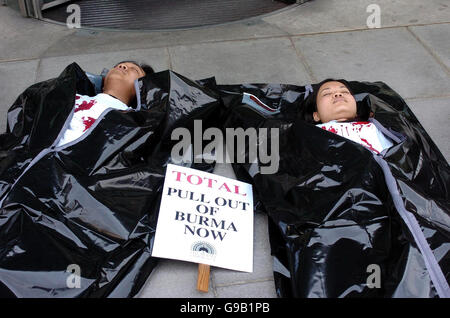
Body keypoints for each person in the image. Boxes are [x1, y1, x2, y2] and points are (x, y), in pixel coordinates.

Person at [57, 61, 154, 146]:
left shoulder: (135, 126)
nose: (122, 66)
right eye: (118, 66)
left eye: (134, 70)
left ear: (141, 90)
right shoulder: (71, 96)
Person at [304, 78, 394, 154]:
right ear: (316, 115)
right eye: (327, 93)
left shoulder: (374, 127)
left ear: (356, 112)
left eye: (344, 92)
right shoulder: (311, 134)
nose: (338, 94)